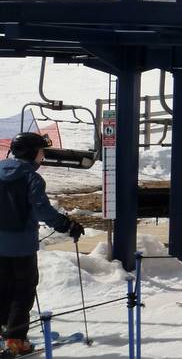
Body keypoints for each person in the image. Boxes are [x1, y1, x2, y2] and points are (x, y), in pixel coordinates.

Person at [0, 133, 84, 356]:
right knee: (23, 291)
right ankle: (15, 340)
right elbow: (42, 210)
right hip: (22, 247)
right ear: (31, 153)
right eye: (40, 151)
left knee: (3, 287)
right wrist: (67, 225)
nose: (43, 155)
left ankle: (3, 332)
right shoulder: (32, 178)